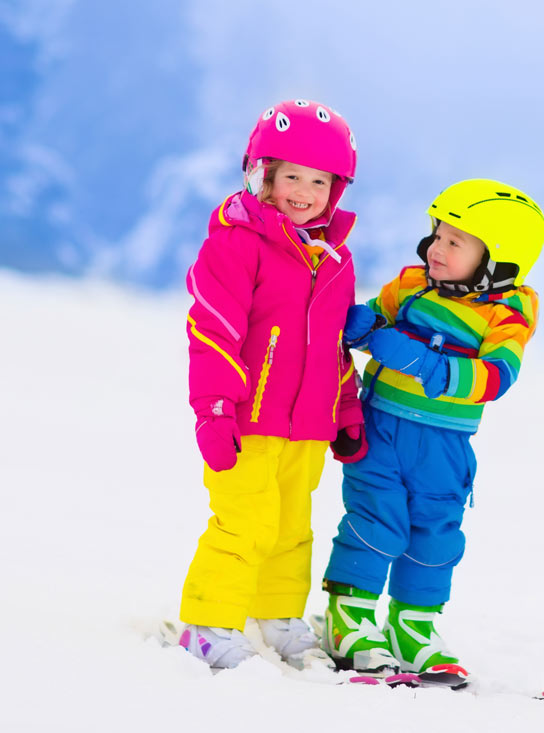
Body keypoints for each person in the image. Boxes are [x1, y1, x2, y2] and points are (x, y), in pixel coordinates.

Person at [318, 179, 544, 682]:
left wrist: (427, 363)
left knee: (434, 532)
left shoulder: (506, 315)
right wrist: (358, 325)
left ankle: (412, 626)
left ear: (497, 262)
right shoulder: (410, 286)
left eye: (454, 242)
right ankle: (349, 620)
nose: (435, 249)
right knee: (376, 520)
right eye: (437, 235)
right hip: (381, 430)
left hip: (444, 448)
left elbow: (496, 377)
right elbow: (368, 321)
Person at [177, 99, 371, 671]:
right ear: (262, 174)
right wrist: (213, 410)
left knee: (291, 527)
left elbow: (332, 342)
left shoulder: (334, 258)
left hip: (306, 427)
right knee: (244, 522)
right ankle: (208, 624)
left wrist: (345, 409)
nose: (304, 192)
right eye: (291, 176)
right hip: (247, 418)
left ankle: (278, 614)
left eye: (319, 181)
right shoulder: (237, 243)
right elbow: (213, 328)